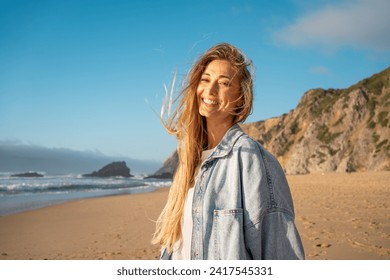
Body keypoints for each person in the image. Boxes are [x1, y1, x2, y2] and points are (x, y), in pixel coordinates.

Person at [152, 42, 305, 260]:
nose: (210, 90)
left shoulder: (252, 160)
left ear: (241, 98)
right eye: (205, 80)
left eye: (224, 83)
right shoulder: (189, 160)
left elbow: (281, 254)